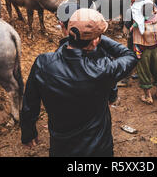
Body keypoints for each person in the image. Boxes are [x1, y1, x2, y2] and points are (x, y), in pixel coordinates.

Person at [20, 8, 138, 157]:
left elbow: (29, 103)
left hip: (61, 147)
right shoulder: (103, 69)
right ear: (96, 41)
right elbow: (129, 56)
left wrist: (28, 132)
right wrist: (97, 36)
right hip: (98, 148)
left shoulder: (43, 63)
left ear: (68, 31)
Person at [129, 0, 157, 104]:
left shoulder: (135, 7)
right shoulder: (151, 3)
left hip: (142, 45)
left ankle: (147, 96)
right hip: (156, 41)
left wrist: (132, 26)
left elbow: (140, 23)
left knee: (143, 69)